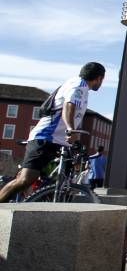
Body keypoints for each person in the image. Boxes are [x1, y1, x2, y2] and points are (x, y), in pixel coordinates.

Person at [0, 62, 105, 203]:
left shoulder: (82, 88)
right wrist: (70, 129)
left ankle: (48, 200)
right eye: (102, 80)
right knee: (25, 179)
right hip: (45, 137)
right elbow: (69, 105)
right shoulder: (79, 85)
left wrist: (76, 141)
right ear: (99, 78)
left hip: (60, 141)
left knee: (64, 178)